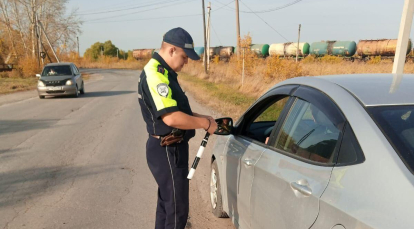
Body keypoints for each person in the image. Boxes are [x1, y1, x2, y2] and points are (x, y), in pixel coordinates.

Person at [137, 27, 218, 229]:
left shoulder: (165, 72)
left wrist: (202, 117)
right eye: (184, 56)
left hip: (171, 149)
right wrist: (205, 124)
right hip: (167, 150)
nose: (186, 62)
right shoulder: (156, 75)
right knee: (176, 210)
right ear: (172, 50)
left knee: (167, 206)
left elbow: (177, 109)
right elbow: (172, 118)